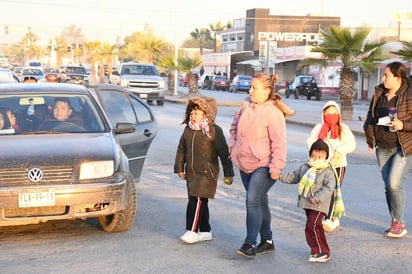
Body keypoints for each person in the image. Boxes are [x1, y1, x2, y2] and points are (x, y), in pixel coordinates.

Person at [229, 73, 287, 259]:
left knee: (252, 199)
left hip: (264, 164)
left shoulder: (274, 113)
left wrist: (276, 167)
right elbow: (234, 127)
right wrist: (233, 148)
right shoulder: (245, 104)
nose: (250, 90)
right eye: (251, 87)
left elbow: (279, 143)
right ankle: (267, 240)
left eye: (255, 87)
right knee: (260, 201)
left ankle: (249, 243)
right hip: (244, 162)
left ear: (267, 91)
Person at [174, 97, 234, 244]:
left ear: (206, 114)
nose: (193, 116)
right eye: (191, 113)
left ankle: (192, 230)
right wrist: (179, 167)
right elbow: (181, 149)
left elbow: (224, 153)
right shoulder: (188, 130)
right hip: (192, 172)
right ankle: (205, 231)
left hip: (207, 173)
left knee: (197, 200)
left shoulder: (213, 130)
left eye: (197, 112)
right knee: (201, 201)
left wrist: (228, 173)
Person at [363, 61, 412, 238]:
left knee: (394, 183)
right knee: (388, 187)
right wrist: (370, 138)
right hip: (382, 147)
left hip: (403, 146)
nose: (383, 78)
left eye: (387, 75)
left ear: (398, 77)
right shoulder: (379, 93)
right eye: (383, 75)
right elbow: (371, 117)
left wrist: (402, 124)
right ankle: (395, 222)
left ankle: (399, 223)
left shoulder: (409, 95)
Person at [279, 139, 336, 263]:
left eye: (320, 156)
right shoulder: (305, 167)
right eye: (314, 155)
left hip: (319, 205)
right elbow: (293, 177)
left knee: (311, 226)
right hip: (307, 204)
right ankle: (324, 251)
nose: (316, 158)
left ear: (326, 156)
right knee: (317, 227)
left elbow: (329, 188)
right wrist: (279, 176)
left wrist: (318, 198)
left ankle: (318, 250)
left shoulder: (327, 171)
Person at [306, 100, 356, 232]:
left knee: (332, 189)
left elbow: (351, 144)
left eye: (334, 113)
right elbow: (310, 142)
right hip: (321, 165)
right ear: (323, 114)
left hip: (338, 165)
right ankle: (330, 215)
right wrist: (317, 151)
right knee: (322, 189)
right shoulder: (318, 128)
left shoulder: (343, 129)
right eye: (328, 113)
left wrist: (339, 150)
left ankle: (330, 219)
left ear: (338, 114)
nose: (331, 115)